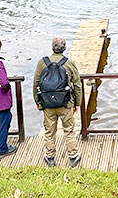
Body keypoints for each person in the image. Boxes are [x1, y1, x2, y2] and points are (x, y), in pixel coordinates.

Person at [33, 37, 83, 168]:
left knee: (49, 132)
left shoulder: (41, 63)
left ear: (52, 47)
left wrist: (38, 101)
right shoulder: (69, 63)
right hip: (66, 103)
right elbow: (77, 85)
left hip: (47, 103)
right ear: (64, 48)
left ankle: (50, 157)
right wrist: (77, 103)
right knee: (69, 131)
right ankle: (73, 156)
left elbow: (36, 83)